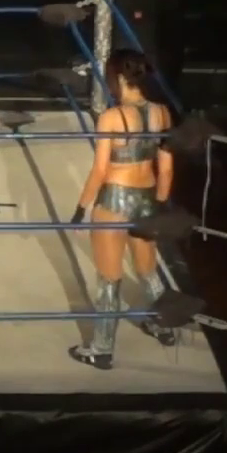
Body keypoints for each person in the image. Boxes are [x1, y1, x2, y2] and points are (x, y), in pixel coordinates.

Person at [68, 49, 176, 370]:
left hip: (114, 202)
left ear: (117, 78)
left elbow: (100, 170)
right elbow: (166, 169)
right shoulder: (162, 113)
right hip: (146, 199)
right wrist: (160, 205)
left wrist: (81, 208)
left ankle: (102, 349)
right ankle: (164, 325)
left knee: (109, 279)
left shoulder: (112, 118)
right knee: (148, 271)